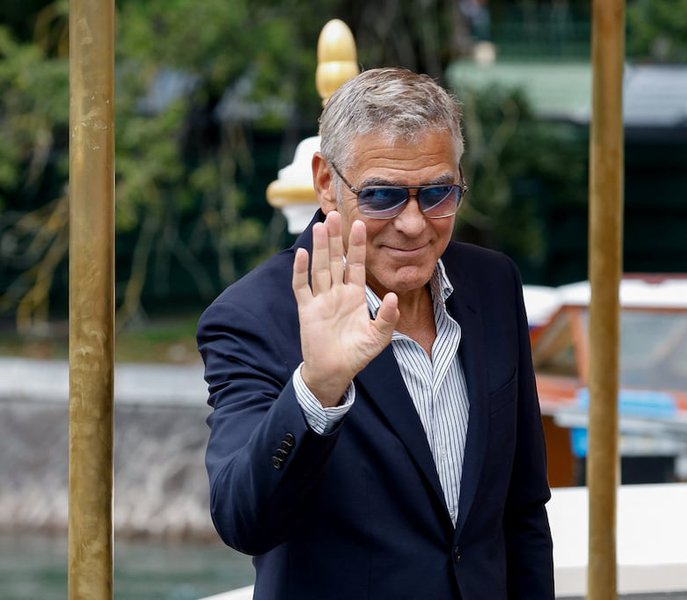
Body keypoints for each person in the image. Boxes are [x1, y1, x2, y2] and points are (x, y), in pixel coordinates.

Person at [197, 67, 553, 599]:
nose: (413, 223)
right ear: (326, 183)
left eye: (438, 193)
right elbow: (241, 520)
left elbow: (522, 510)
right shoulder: (254, 316)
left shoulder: (493, 283)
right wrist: (317, 391)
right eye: (382, 196)